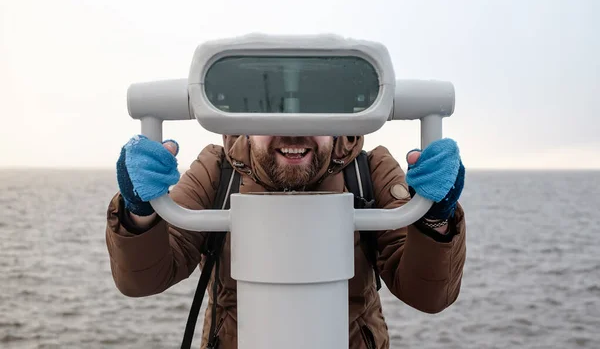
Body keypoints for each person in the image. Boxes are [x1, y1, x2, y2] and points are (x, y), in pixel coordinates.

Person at [105, 134, 466, 349]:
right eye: (273, 110)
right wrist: (140, 213)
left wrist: (435, 219)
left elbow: (429, 295)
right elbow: (142, 279)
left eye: (314, 111)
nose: (294, 133)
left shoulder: (367, 170)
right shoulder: (218, 170)